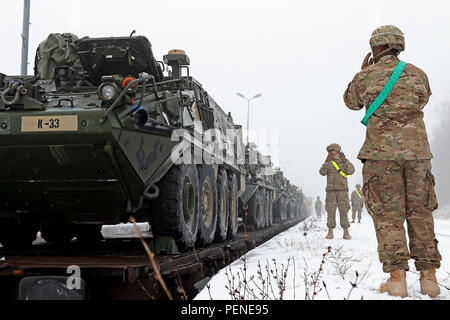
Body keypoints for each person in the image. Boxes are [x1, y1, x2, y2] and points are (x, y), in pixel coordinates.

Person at [343, 25, 441, 298]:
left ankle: (397, 280)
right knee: (421, 213)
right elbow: (423, 99)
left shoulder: (366, 76)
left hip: (381, 156)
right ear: (399, 45)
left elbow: (350, 102)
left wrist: (363, 72)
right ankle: (429, 279)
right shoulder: (418, 74)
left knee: (388, 217)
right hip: (417, 154)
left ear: (376, 48)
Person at [319, 143, 355, 240]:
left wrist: (346, 161)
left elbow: (351, 171)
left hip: (343, 191)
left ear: (338, 151)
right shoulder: (328, 163)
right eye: (330, 152)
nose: (332, 153)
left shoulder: (344, 162)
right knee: (331, 211)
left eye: (333, 151)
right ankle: (330, 232)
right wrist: (326, 162)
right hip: (331, 191)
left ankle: (346, 232)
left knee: (344, 211)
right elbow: (322, 173)